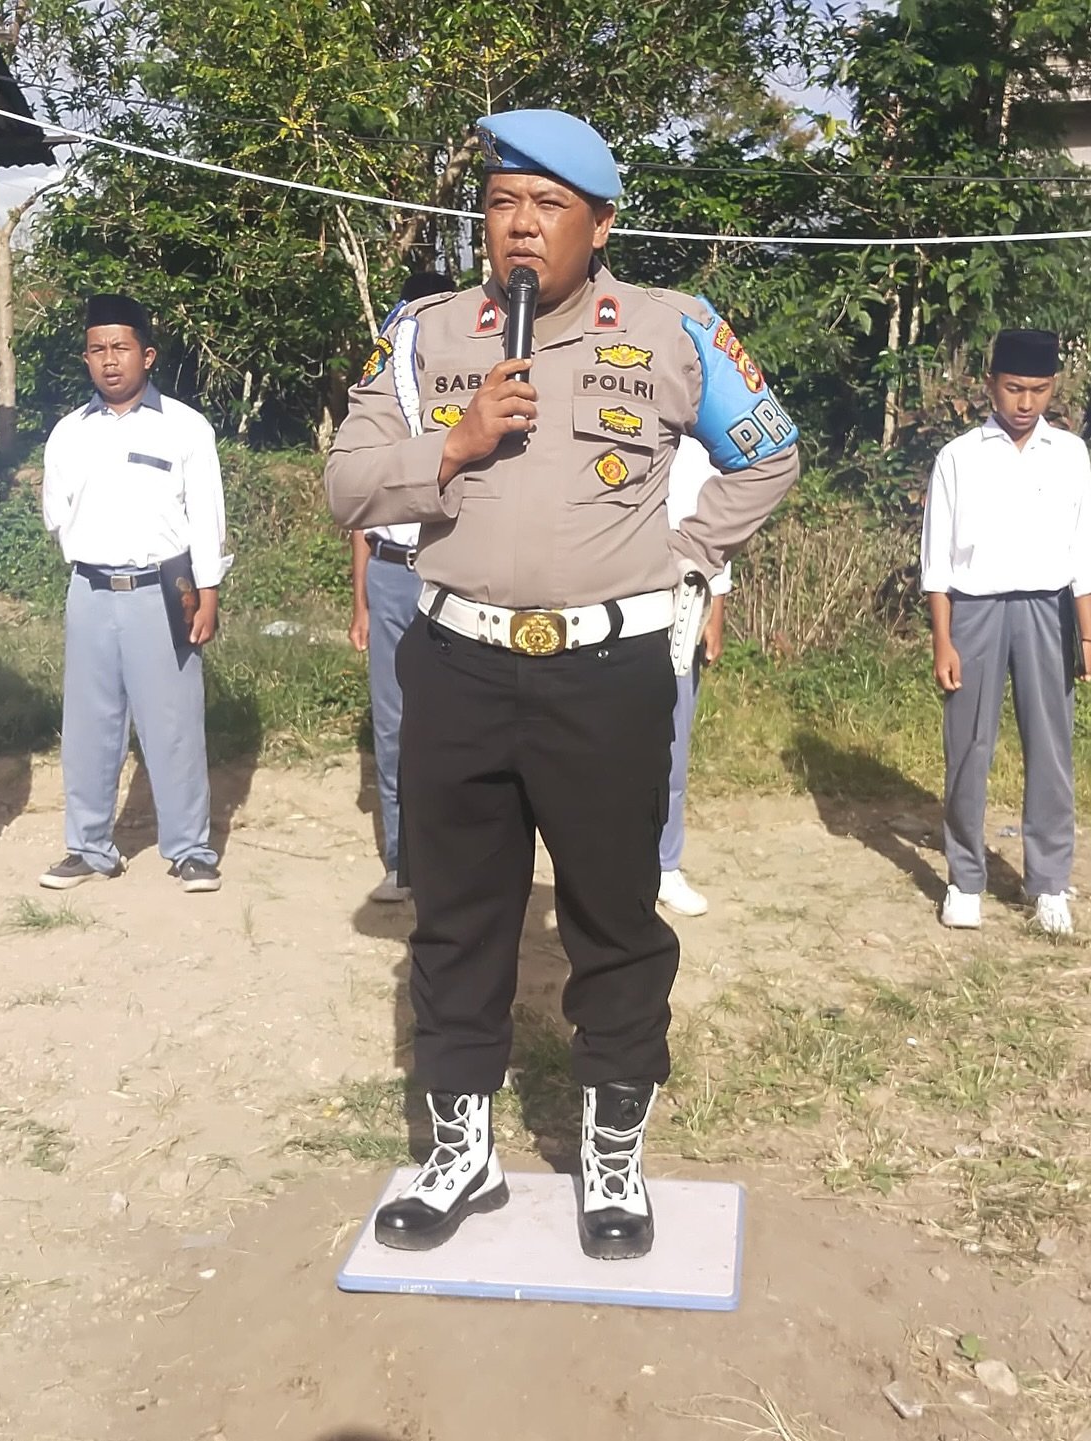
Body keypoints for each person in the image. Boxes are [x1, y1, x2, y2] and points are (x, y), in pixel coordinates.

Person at [325, 109, 799, 1260]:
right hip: (457, 666)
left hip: (606, 676)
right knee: (456, 918)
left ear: (601, 222)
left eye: (548, 205)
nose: (521, 226)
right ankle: (463, 1154)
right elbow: (346, 483)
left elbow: (771, 451)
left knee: (614, 920)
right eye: (502, 203)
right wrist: (453, 444)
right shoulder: (423, 333)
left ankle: (611, 1157)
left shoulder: (678, 328)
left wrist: (687, 555)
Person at [40, 293, 231, 894]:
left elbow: (206, 518)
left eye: (120, 347)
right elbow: (56, 514)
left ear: (146, 355)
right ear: (86, 358)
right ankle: (89, 848)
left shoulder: (185, 428)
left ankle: (191, 850)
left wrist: (208, 592)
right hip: (90, 592)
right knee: (89, 727)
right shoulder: (68, 433)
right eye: (97, 349)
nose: (109, 360)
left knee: (173, 725)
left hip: (162, 592)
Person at [920, 328, 1091, 937]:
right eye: (1014, 388)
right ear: (991, 385)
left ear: (1054, 388)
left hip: (1048, 611)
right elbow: (937, 562)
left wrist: (1088, 638)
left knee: (1051, 748)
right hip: (975, 612)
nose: (1026, 402)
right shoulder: (959, 457)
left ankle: (1048, 882)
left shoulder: (1069, 454)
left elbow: (1083, 552)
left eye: (1039, 390)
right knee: (968, 746)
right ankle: (965, 880)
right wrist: (943, 640)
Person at [348, 271, 457, 904]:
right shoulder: (383, 398)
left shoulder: (474, 389)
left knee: (459, 725)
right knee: (393, 725)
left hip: (452, 574)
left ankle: (455, 863)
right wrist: (360, 601)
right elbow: (362, 515)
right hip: (390, 576)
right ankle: (402, 860)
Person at [657, 437, 731, 918]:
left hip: (684, 600)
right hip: (613, 598)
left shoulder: (702, 449)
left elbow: (717, 539)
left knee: (673, 745)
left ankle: (665, 865)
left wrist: (715, 612)